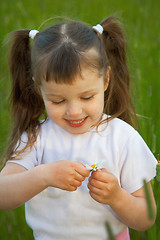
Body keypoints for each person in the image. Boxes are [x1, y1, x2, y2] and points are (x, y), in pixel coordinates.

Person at [0, 16, 157, 240]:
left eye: (86, 96)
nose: (74, 111)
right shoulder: (36, 139)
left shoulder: (123, 138)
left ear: (105, 80)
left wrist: (116, 197)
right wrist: (43, 176)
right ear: (39, 88)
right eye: (58, 101)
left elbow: (146, 218)